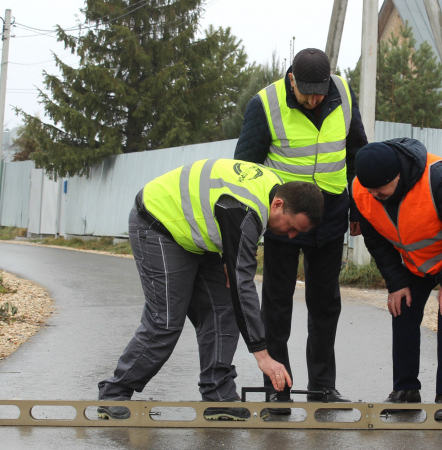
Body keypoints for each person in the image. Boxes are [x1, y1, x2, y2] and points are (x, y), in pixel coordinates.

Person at [97, 159, 324, 421]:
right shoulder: (245, 210)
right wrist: (262, 355)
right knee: (166, 321)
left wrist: (234, 255)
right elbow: (244, 285)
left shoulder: (273, 192)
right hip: (158, 222)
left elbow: (235, 240)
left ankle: (217, 396)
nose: (292, 236)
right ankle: (114, 392)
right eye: (292, 227)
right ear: (278, 205)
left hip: (195, 232)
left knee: (223, 309)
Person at [234, 48, 368, 411]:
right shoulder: (265, 103)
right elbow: (244, 167)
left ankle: (324, 387)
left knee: (326, 303)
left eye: (319, 92)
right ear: (290, 79)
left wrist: (358, 205)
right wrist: (251, 221)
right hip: (284, 217)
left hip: (332, 211)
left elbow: (358, 153)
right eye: (307, 91)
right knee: (276, 305)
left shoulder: (343, 94)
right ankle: (278, 389)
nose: (313, 99)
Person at [350, 138, 442, 421]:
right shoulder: (362, 190)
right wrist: (396, 284)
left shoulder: (439, 177)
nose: (374, 196)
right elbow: (376, 241)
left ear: (398, 176)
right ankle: (405, 391)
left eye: (380, 190)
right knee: (402, 307)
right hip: (421, 258)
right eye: (370, 190)